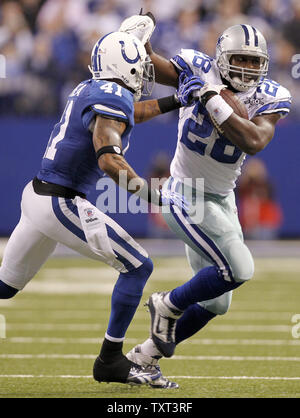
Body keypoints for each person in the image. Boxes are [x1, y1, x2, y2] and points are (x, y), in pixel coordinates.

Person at [0, 26, 187, 387]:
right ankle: (110, 361)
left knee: (5, 288)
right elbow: (108, 160)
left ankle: (111, 360)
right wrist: (156, 195)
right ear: (126, 64)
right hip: (60, 201)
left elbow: (131, 113)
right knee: (138, 266)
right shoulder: (111, 97)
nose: (147, 70)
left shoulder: (94, 88)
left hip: (38, 195)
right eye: (142, 63)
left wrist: (177, 100)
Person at [120, 15, 292, 386]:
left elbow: (254, 141)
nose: (246, 69)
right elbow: (151, 67)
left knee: (218, 302)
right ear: (220, 57)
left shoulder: (269, 95)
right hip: (183, 193)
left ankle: (144, 358)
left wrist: (212, 96)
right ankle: (167, 304)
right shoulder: (197, 67)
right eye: (240, 59)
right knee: (241, 269)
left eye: (253, 61)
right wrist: (140, 40)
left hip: (221, 200)